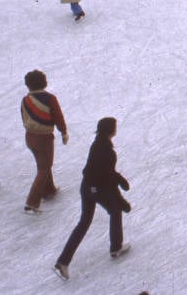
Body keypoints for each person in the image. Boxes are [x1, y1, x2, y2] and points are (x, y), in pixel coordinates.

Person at [54, 117, 132, 281]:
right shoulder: (109, 152)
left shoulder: (96, 144)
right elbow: (109, 177)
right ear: (112, 131)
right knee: (116, 211)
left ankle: (63, 261)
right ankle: (116, 247)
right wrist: (121, 188)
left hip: (86, 187)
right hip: (97, 189)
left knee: (84, 223)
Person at [21, 69, 69, 214]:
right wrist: (63, 131)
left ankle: (49, 189)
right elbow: (58, 116)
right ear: (44, 82)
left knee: (43, 164)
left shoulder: (25, 99)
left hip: (30, 136)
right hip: (44, 138)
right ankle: (31, 203)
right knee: (44, 168)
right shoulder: (49, 98)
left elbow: (23, 117)